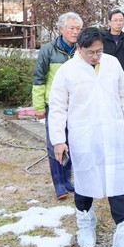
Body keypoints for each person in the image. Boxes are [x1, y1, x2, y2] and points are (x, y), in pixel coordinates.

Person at [48, 27, 124, 247]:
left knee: (118, 181)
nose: (95, 56)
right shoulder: (67, 71)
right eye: (90, 52)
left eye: (99, 51)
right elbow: (58, 107)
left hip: (112, 135)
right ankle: (85, 222)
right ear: (78, 48)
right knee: (85, 181)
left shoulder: (111, 63)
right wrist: (58, 140)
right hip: (84, 137)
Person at [32, 12, 83, 200]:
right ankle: (59, 183)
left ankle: (67, 179)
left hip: (75, 105)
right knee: (56, 142)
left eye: (78, 29)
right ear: (61, 29)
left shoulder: (80, 50)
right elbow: (38, 78)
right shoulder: (48, 50)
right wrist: (38, 106)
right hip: (53, 104)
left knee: (72, 142)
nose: (75, 32)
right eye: (72, 28)